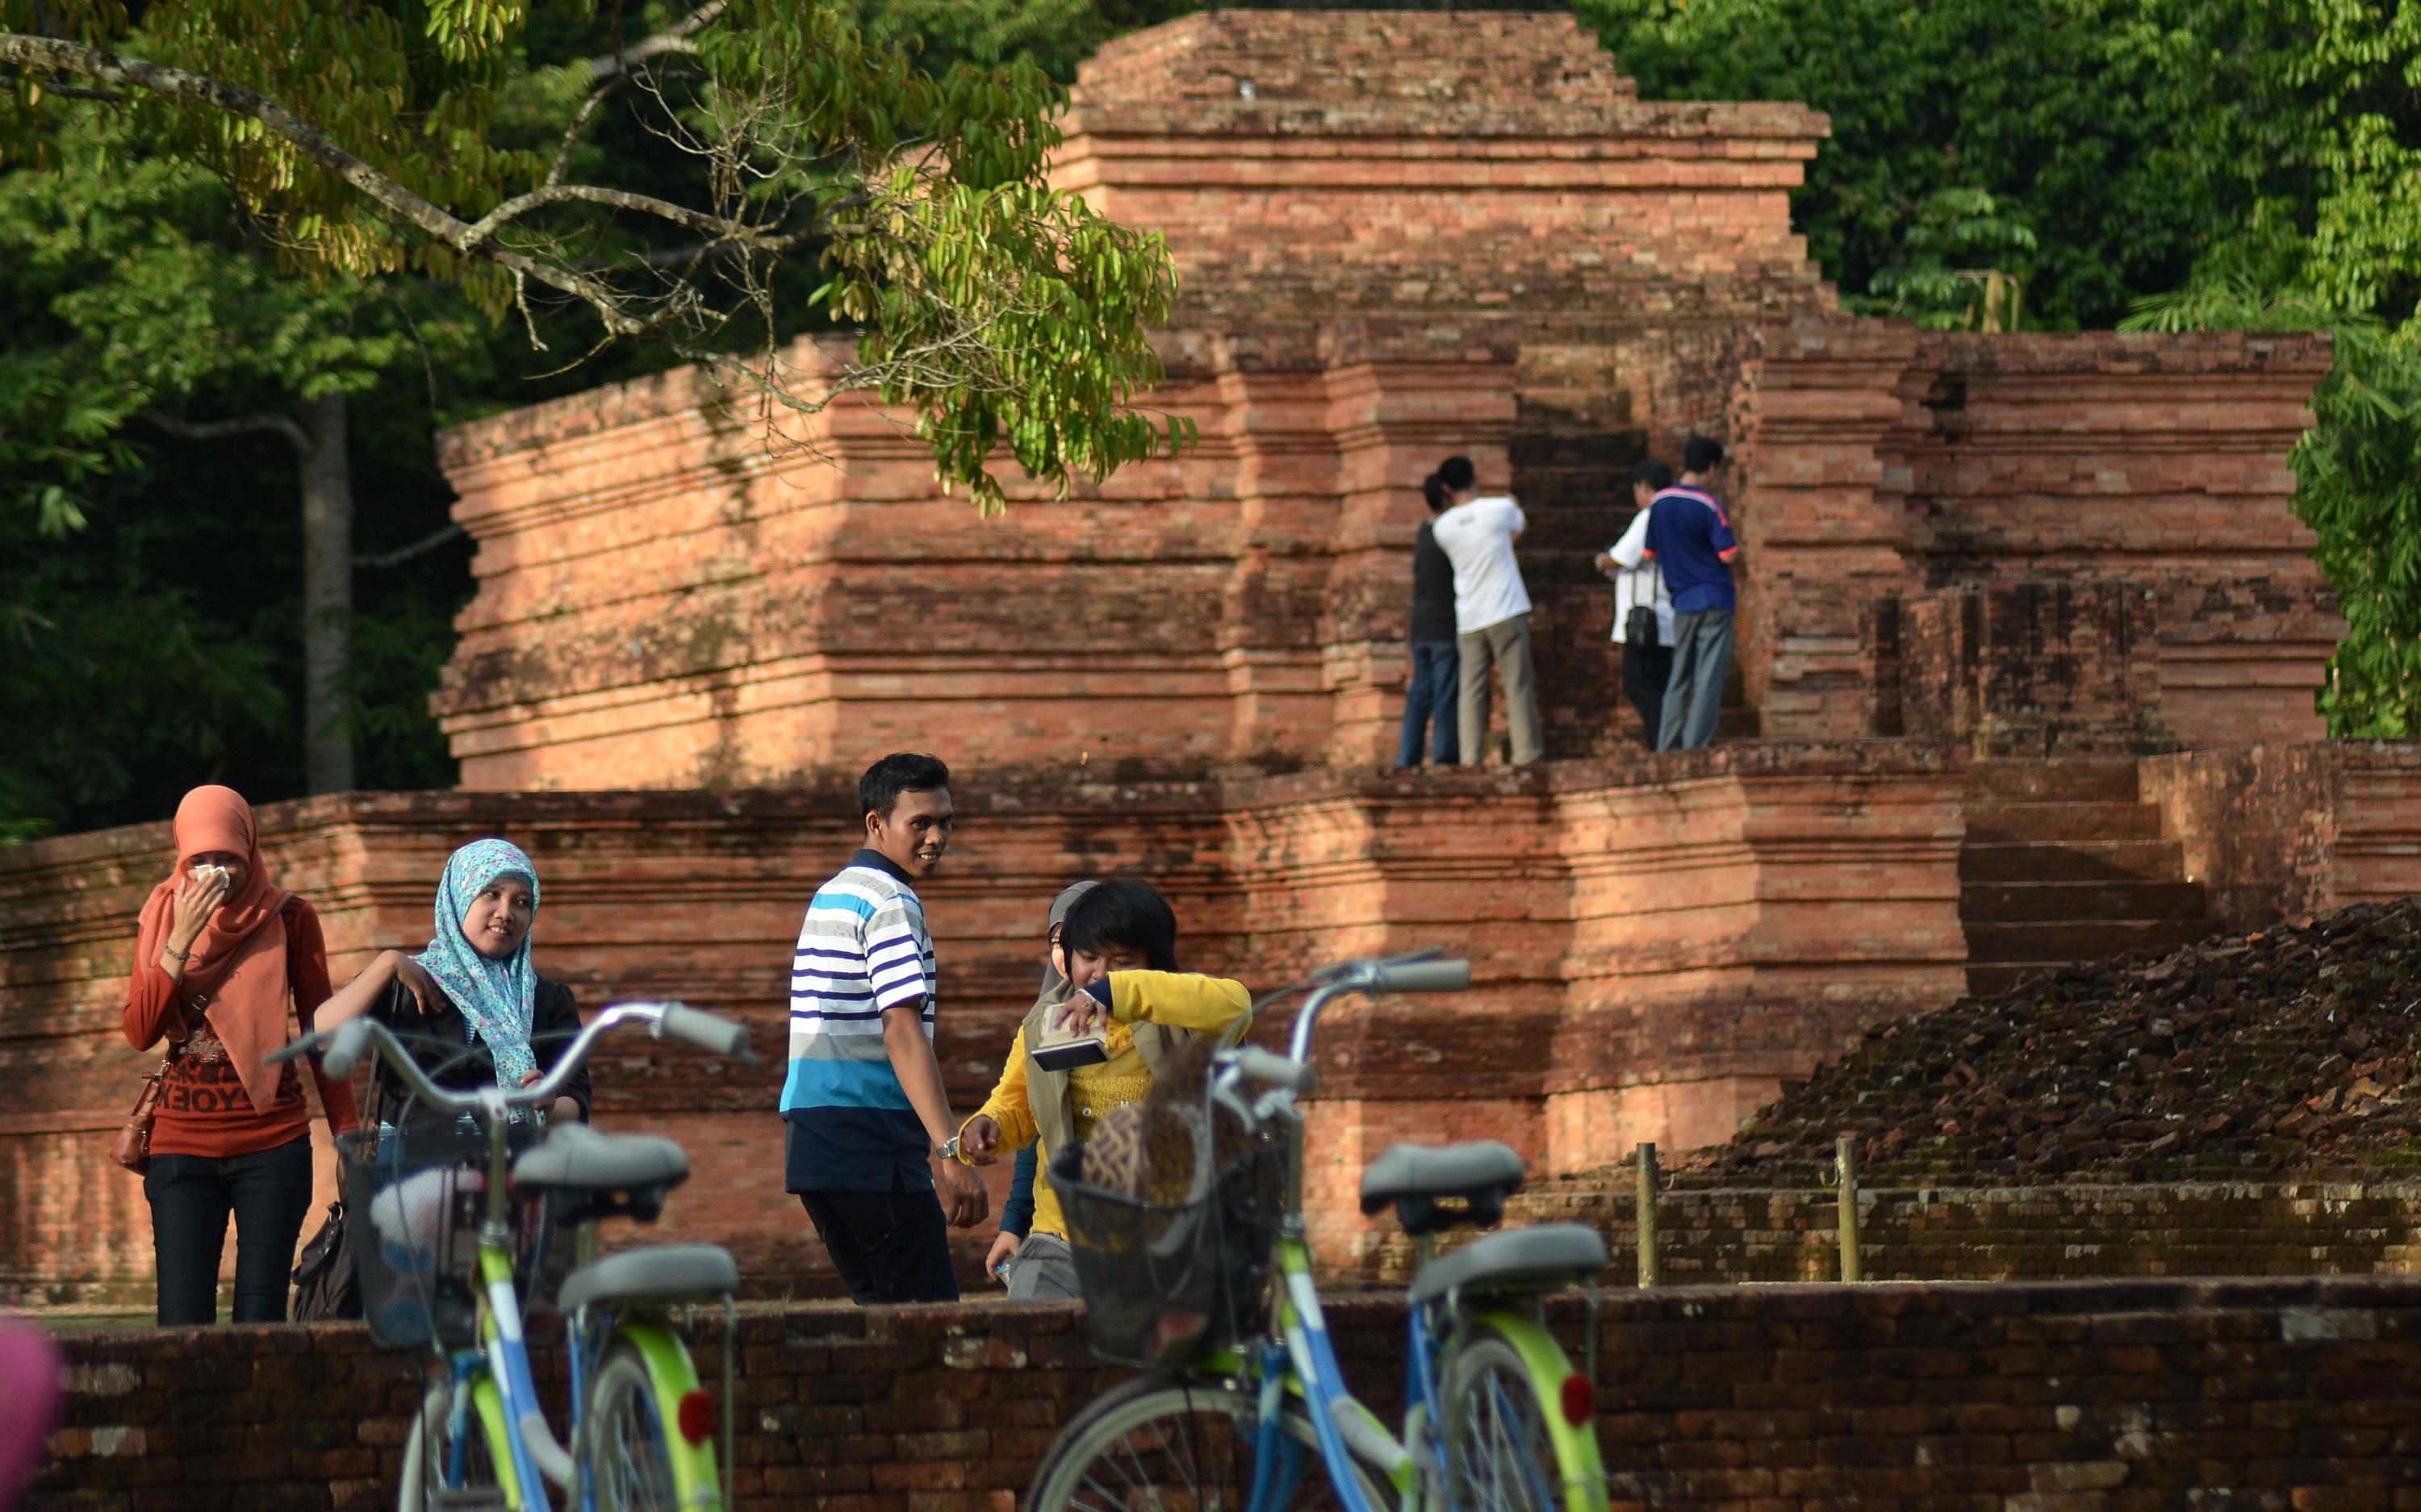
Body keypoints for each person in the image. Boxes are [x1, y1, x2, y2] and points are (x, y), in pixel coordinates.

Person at [119, 785, 361, 1326]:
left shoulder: (292, 917)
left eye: (227, 857)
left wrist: (347, 1135)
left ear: (250, 851)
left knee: (261, 1323)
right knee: (181, 1326)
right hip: (181, 1148)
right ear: (181, 857)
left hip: (273, 1146)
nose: (214, 871)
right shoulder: (161, 915)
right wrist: (179, 941)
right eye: (199, 859)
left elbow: (321, 1035)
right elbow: (139, 1030)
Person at [956, 879, 1251, 1301]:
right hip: (1062, 1242)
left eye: (1122, 960)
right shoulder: (1047, 1022)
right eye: (1089, 958)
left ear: (1153, 961)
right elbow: (1017, 1104)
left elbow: (1237, 1005)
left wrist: (1119, 993)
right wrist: (987, 1124)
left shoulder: (1182, 1013)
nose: (1100, 973)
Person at [782, 752, 987, 1305]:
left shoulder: (835, 891)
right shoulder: (891, 899)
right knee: (931, 1329)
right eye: (919, 822)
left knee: (882, 1330)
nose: (936, 837)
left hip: (817, 1148)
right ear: (877, 823)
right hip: (870, 1148)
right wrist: (951, 1152)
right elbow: (901, 1030)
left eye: (945, 822)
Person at [316, 837, 589, 1130]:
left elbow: (576, 1096)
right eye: (491, 894)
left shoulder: (547, 998)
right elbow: (322, 1039)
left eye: (522, 902)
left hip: (510, 1160)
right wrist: (387, 963)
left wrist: (548, 1104)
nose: (505, 913)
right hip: (409, 1162)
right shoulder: (405, 981)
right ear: (459, 895)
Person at [982, 879, 1098, 1290]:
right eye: (1058, 941)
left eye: (1087, 942)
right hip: (1061, 1235)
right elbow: (1035, 1126)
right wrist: (1014, 1226)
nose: (1068, 955)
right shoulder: (1045, 1024)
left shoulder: (1158, 1016)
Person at [1431, 454, 1544, 766]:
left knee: (1472, 692)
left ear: (1445, 488)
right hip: (1506, 609)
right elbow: (1517, 529)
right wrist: (1512, 504)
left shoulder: (1443, 528)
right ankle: (1526, 753)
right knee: (1517, 684)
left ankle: (1471, 759)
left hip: (1469, 617)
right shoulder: (1499, 509)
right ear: (1474, 478)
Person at [1642, 436, 1741, 750]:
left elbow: (1650, 553)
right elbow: (1728, 555)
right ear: (1712, 468)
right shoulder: (1709, 503)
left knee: (1678, 677)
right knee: (1708, 677)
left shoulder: (1659, 502)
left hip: (1682, 600)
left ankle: (1666, 746)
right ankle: (1695, 747)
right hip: (1714, 596)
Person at [1595, 459, 1678, 749]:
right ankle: (1666, 741)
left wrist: (1600, 560)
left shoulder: (1649, 516)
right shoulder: (1674, 513)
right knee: (1658, 683)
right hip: (1666, 617)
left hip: (1648, 620)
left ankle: (1664, 743)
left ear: (1643, 486)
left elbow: (1620, 557)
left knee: (1639, 684)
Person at [1398, 472, 1460, 767]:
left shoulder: (1424, 530)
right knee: (1445, 695)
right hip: (1443, 626)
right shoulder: (1447, 533)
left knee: (1419, 695)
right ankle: (1444, 757)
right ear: (1447, 495)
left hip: (1420, 627)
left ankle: (1407, 759)